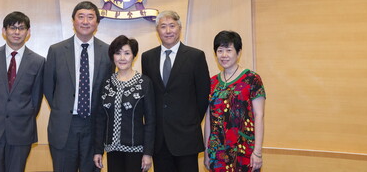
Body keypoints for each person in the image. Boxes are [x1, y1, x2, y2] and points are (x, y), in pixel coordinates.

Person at [44, 1, 114, 172]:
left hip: (93, 125)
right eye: (80, 16)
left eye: (91, 17)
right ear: (73, 21)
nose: (85, 21)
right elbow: (48, 87)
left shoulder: (108, 52)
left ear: (97, 23)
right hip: (64, 126)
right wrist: (64, 107)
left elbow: (108, 90)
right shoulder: (57, 50)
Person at [0, 11, 45, 172]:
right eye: (12, 27)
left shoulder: (38, 61)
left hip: (21, 131)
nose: (17, 32)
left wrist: (20, 114)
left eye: (21, 28)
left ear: (28, 32)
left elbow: (36, 99)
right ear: (4, 30)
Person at [141, 10, 210, 172]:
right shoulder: (148, 57)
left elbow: (202, 96)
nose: (168, 31)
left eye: (172, 26)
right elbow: (149, 97)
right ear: (157, 31)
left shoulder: (195, 56)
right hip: (159, 139)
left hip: (186, 136)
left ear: (179, 28)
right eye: (163, 27)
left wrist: (189, 121)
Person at [204, 30, 266, 172]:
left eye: (229, 50)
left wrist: (257, 151)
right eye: (220, 50)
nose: (224, 55)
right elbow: (209, 118)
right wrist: (207, 151)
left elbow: (259, 115)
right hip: (217, 152)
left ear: (238, 53)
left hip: (244, 149)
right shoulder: (212, 82)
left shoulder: (252, 79)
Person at [94, 35, 156, 172]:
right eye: (118, 53)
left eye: (127, 53)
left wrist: (148, 153)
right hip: (112, 149)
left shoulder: (144, 83)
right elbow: (100, 119)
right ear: (112, 56)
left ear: (133, 56)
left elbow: (151, 120)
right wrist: (98, 150)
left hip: (136, 149)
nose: (122, 58)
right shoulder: (107, 83)